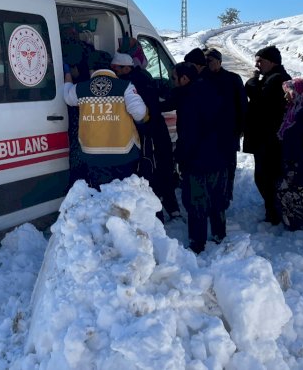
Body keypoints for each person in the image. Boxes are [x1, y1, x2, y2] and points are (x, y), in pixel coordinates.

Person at [63, 50, 148, 190]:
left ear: (91, 68)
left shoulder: (80, 88)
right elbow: (139, 113)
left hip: (93, 156)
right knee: (124, 197)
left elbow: (67, 97)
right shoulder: (125, 86)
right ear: (110, 67)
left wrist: (67, 75)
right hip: (123, 154)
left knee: (101, 196)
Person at [111, 51, 180, 219]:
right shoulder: (145, 76)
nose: (115, 72)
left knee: (150, 169)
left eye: (117, 68)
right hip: (158, 128)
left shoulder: (130, 83)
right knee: (164, 166)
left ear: (126, 67)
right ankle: (171, 207)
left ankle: (156, 213)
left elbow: (139, 112)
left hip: (147, 132)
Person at [172, 62, 231, 253]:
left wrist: (181, 156)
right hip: (219, 156)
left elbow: (189, 134)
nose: (173, 82)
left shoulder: (188, 98)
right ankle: (219, 234)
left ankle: (197, 242)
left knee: (196, 201)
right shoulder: (212, 89)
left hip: (197, 159)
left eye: (174, 78)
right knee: (216, 198)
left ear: (185, 79)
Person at [243, 45, 291, 224]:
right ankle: (274, 210)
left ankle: (275, 212)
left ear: (271, 62)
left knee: (266, 177)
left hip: (269, 139)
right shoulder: (273, 77)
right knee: (267, 176)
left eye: (260, 61)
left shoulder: (276, 79)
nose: (257, 65)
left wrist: (252, 82)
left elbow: (260, 99)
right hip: (268, 138)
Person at [204, 48, 247, 206]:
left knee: (229, 165)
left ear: (219, 61)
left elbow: (243, 104)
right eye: (205, 61)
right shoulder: (202, 79)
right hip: (208, 132)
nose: (207, 64)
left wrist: (241, 128)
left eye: (210, 60)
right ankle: (212, 193)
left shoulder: (233, 79)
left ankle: (227, 193)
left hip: (229, 131)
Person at [275, 78, 303, 231]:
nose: (285, 96)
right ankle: (294, 224)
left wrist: (300, 163)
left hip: (301, 163)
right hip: (291, 161)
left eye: (288, 92)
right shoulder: (293, 109)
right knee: (287, 193)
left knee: (300, 195)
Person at [61, 25, 96, 184]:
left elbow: (68, 94)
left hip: (77, 113)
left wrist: (67, 73)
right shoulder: (86, 49)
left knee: (78, 149)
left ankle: (78, 183)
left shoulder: (79, 89)